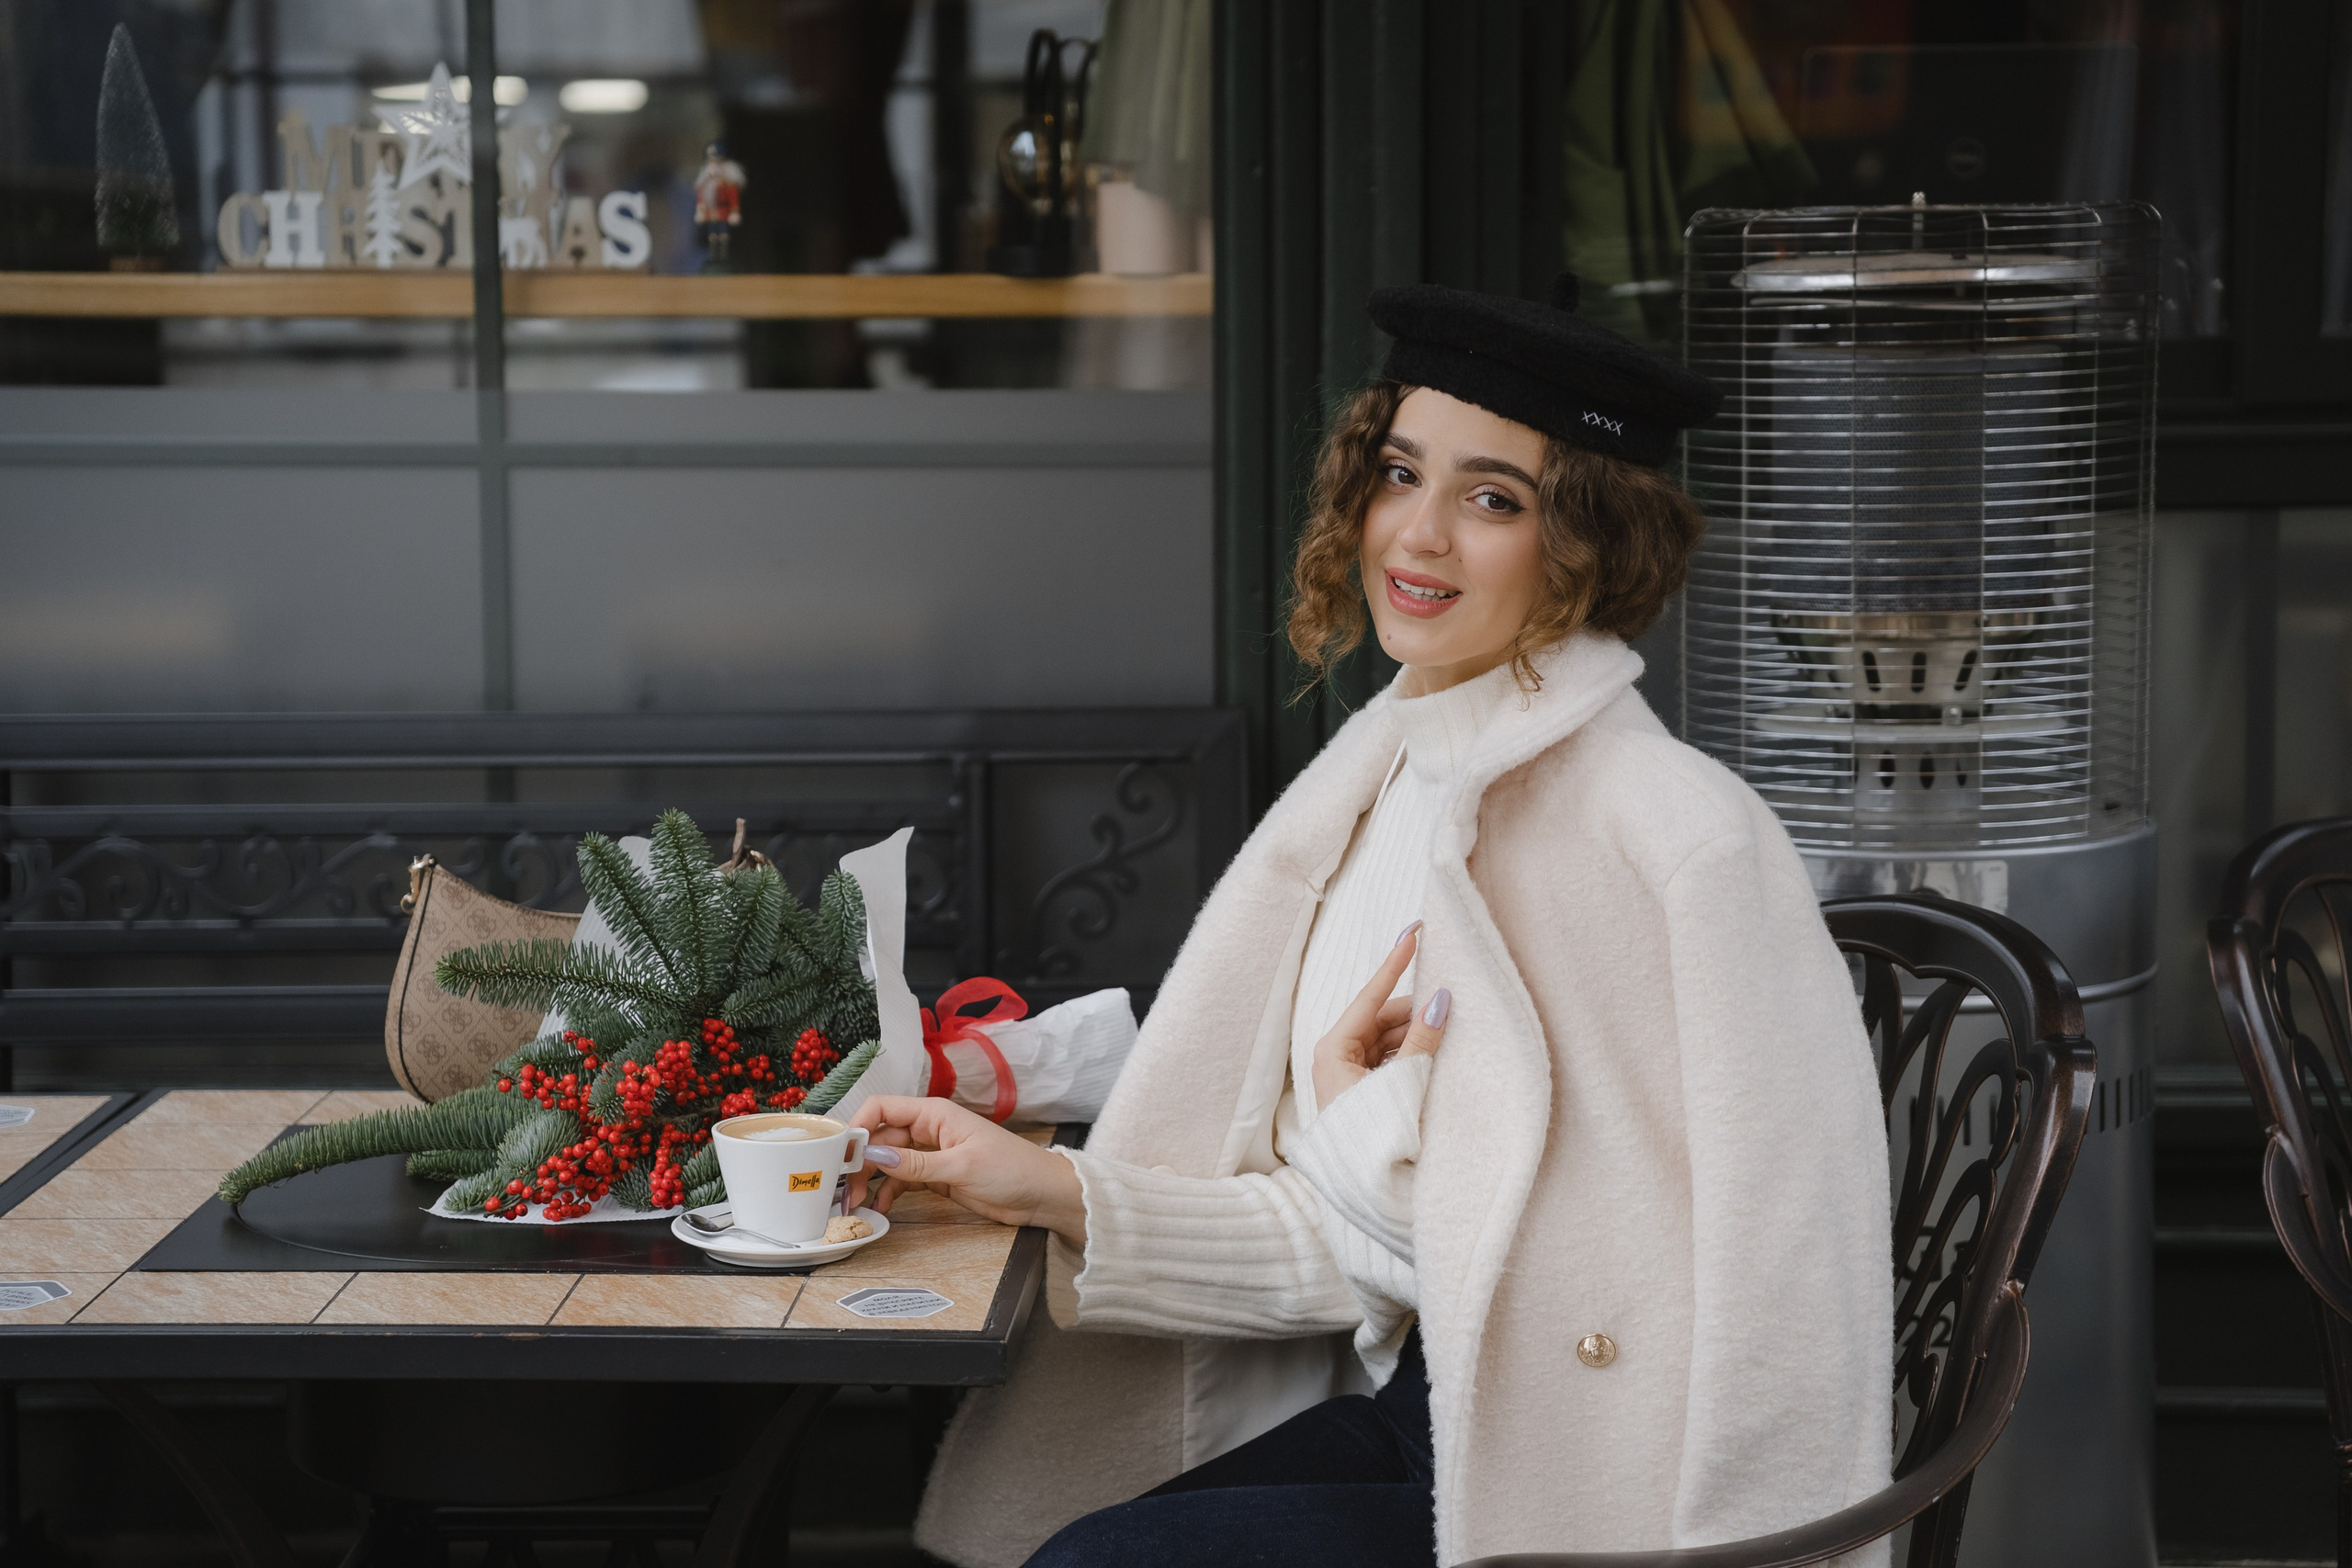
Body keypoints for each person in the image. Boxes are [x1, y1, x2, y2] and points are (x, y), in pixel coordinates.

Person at [846, 276, 1894, 1568]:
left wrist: (1360, 1128)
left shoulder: (1677, 831)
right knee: (1072, 1548)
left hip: (1596, 1476)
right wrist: (1050, 1185)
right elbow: (1352, 1247)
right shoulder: (1393, 773)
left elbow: (1799, 1268)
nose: (1420, 536)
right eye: (1401, 474)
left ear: (1587, 542)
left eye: (1493, 498)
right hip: (1429, 1411)